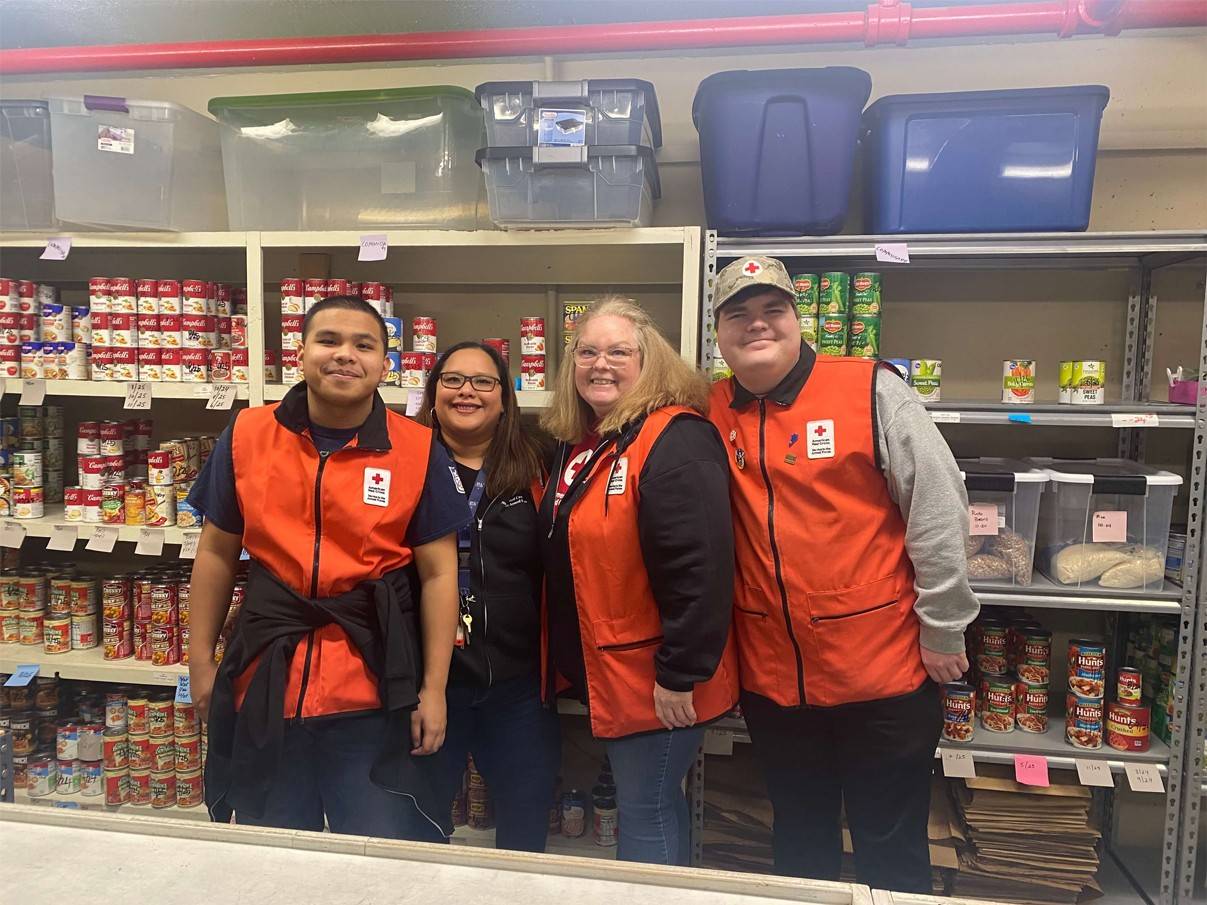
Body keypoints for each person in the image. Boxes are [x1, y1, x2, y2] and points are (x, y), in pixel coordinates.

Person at [707, 256, 980, 893]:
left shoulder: (870, 389)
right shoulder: (710, 406)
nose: (757, 326)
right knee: (799, 840)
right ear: (719, 333)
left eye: (772, 311)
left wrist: (944, 627)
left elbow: (938, 508)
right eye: (737, 315)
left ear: (798, 320)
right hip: (775, 682)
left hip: (880, 675)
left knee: (889, 843)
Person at [187, 294, 467, 840]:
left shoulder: (418, 449)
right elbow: (217, 552)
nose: (345, 355)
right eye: (328, 340)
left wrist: (433, 689)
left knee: (377, 850)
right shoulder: (247, 434)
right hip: (267, 682)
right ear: (300, 353)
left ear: (385, 364)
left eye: (364, 345)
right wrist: (201, 662)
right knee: (275, 853)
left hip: (374, 685)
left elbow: (438, 575)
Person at [539, 295, 738, 866]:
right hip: (618, 669)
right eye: (587, 352)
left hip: (659, 679)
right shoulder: (587, 441)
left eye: (619, 352)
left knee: (645, 811)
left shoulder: (675, 438)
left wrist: (679, 674)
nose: (600, 364)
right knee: (651, 804)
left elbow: (700, 568)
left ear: (650, 362)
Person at [416, 340, 561, 852]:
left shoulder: (541, 463)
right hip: (429, 685)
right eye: (452, 380)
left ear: (505, 398)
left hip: (518, 686)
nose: (467, 392)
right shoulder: (405, 463)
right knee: (420, 827)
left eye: (483, 382)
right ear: (432, 394)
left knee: (524, 826)